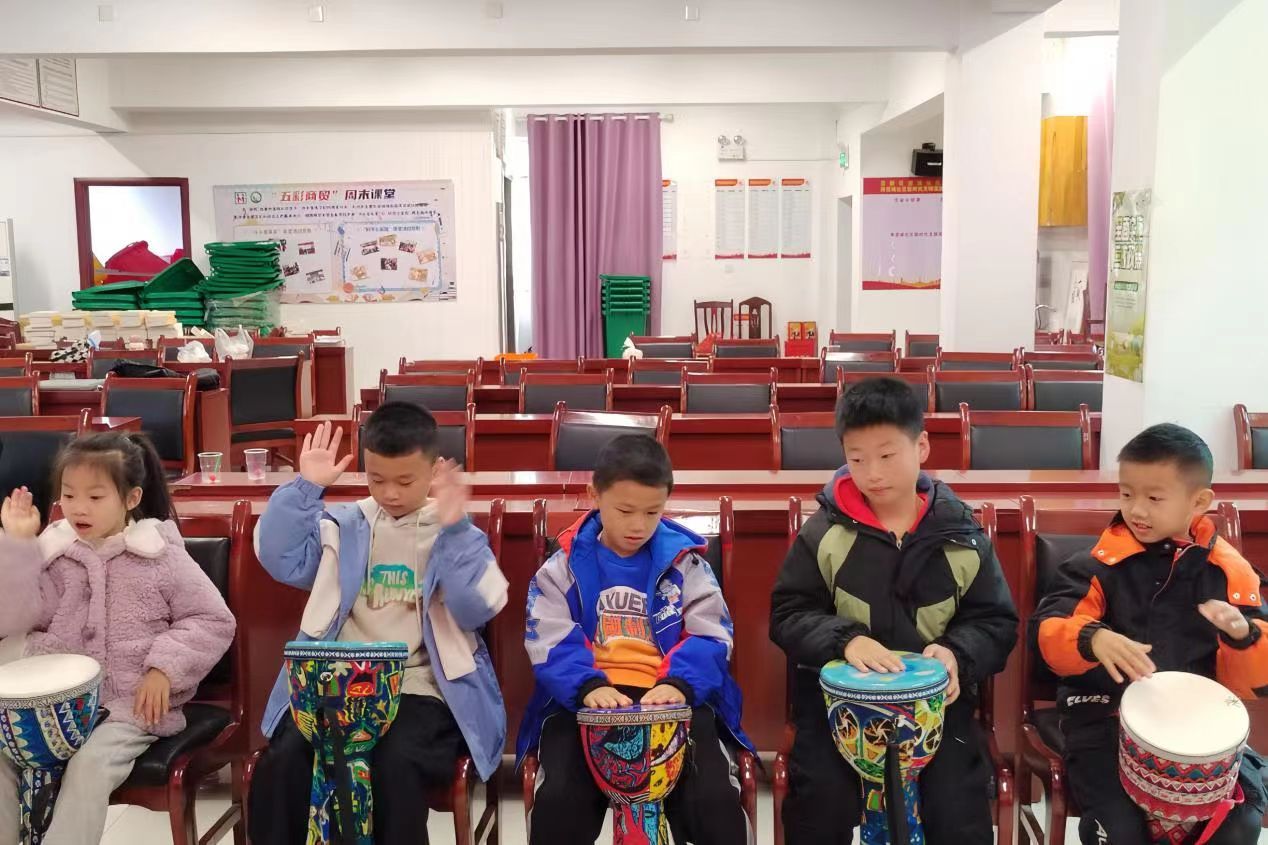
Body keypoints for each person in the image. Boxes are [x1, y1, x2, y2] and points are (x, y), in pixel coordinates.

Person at [769, 376, 1018, 845]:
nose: (873, 473)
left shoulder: (961, 535)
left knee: (956, 810)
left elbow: (996, 622)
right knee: (819, 803)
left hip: (937, 707)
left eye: (887, 456)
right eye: (857, 459)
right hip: (838, 708)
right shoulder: (824, 533)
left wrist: (957, 654)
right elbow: (787, 614)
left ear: (921, 446)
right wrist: (846, 640)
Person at [249, 404, 508, 845]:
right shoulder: (343, 525)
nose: (390, 493)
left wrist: (457, 530)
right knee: (287, 757)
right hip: (335, 683)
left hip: (419, 688)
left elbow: (477, 608)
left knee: (393, 761)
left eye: (405, 481)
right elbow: (278, 557)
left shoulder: (457, 533)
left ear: (434, 471)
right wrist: (305, 487)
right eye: (376, 479)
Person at [1032, 423, 1268, 844]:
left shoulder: (1230, 573)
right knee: (1119, 829)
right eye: (1126, 495)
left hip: (1198, 726)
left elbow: (1256, 683)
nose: (1136, 510)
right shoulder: (1095, 565)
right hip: (1103, 717)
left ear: (1199, 502)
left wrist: (1243, 637)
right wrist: (1092, 639)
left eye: (1154, 498)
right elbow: (1050, 633)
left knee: (1239, 823)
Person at [0, 432, 236, 845]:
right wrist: (20, 546)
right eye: (68, 495)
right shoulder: (55, 551)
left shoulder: (159, 554)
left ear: (131, 498)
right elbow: (16, 617)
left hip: (129, 705)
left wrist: (164, 669)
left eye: (95, 497)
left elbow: (211, 619)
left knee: (90, 765)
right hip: (54, 705)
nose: (78, 508)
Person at [518, 434, 752, 844]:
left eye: (652, 512)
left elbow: (712, 635)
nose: (638, 525)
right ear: (594, 494)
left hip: (673, 700)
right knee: (560, 801)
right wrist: (588, 686)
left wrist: (678, 684)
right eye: (625, 510)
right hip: (585, 703)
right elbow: (548, 638)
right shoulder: (563, 566)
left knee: (712, 801)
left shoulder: (686, 564)